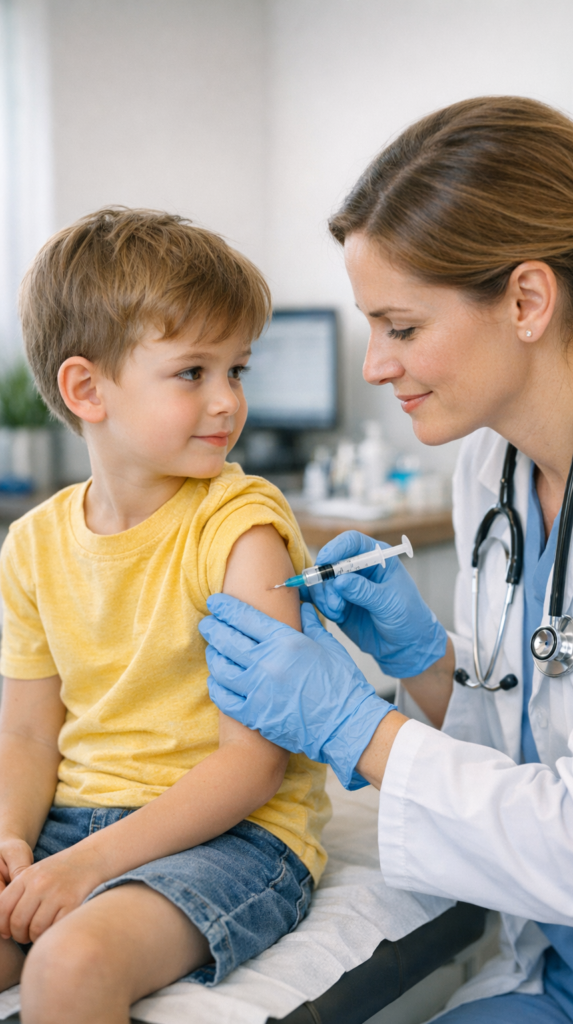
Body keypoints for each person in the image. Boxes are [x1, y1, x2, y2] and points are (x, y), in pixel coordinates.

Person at [201, 97, 573, 1022]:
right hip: (557, 970)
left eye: (402, 327)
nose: (376, 365)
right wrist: (429, 664)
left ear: (527, 301)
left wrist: (353, 729)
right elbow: (520, 747)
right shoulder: (492, 462)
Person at [0, 208, 330, 1024]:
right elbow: (27, 736)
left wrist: (84, 868)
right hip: (75, 821)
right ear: (87, 389)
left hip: (236, 835)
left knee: (69, 970)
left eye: (237, 370)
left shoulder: (241, 527)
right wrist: (13, 839)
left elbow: (253, 767)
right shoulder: (32, 546)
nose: (227, 402)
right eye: (193, 373)